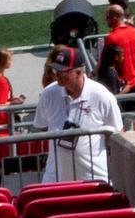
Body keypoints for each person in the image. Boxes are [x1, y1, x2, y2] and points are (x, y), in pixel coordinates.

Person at [35, 46, 119, 183]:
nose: (57, 75)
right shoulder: (48, 94)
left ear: (78, 72)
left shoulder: (102, 95)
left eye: (62, 71)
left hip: (93, 180)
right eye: (55, 70)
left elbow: (116, 133)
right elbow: (42, 125)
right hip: (55, 179)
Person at [96, 5, 135, 95]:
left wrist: (93, 74)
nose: (106, 20)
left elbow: (104, 61)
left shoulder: (111, 37)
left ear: (116, 17)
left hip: (122, 84)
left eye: (108, 17)